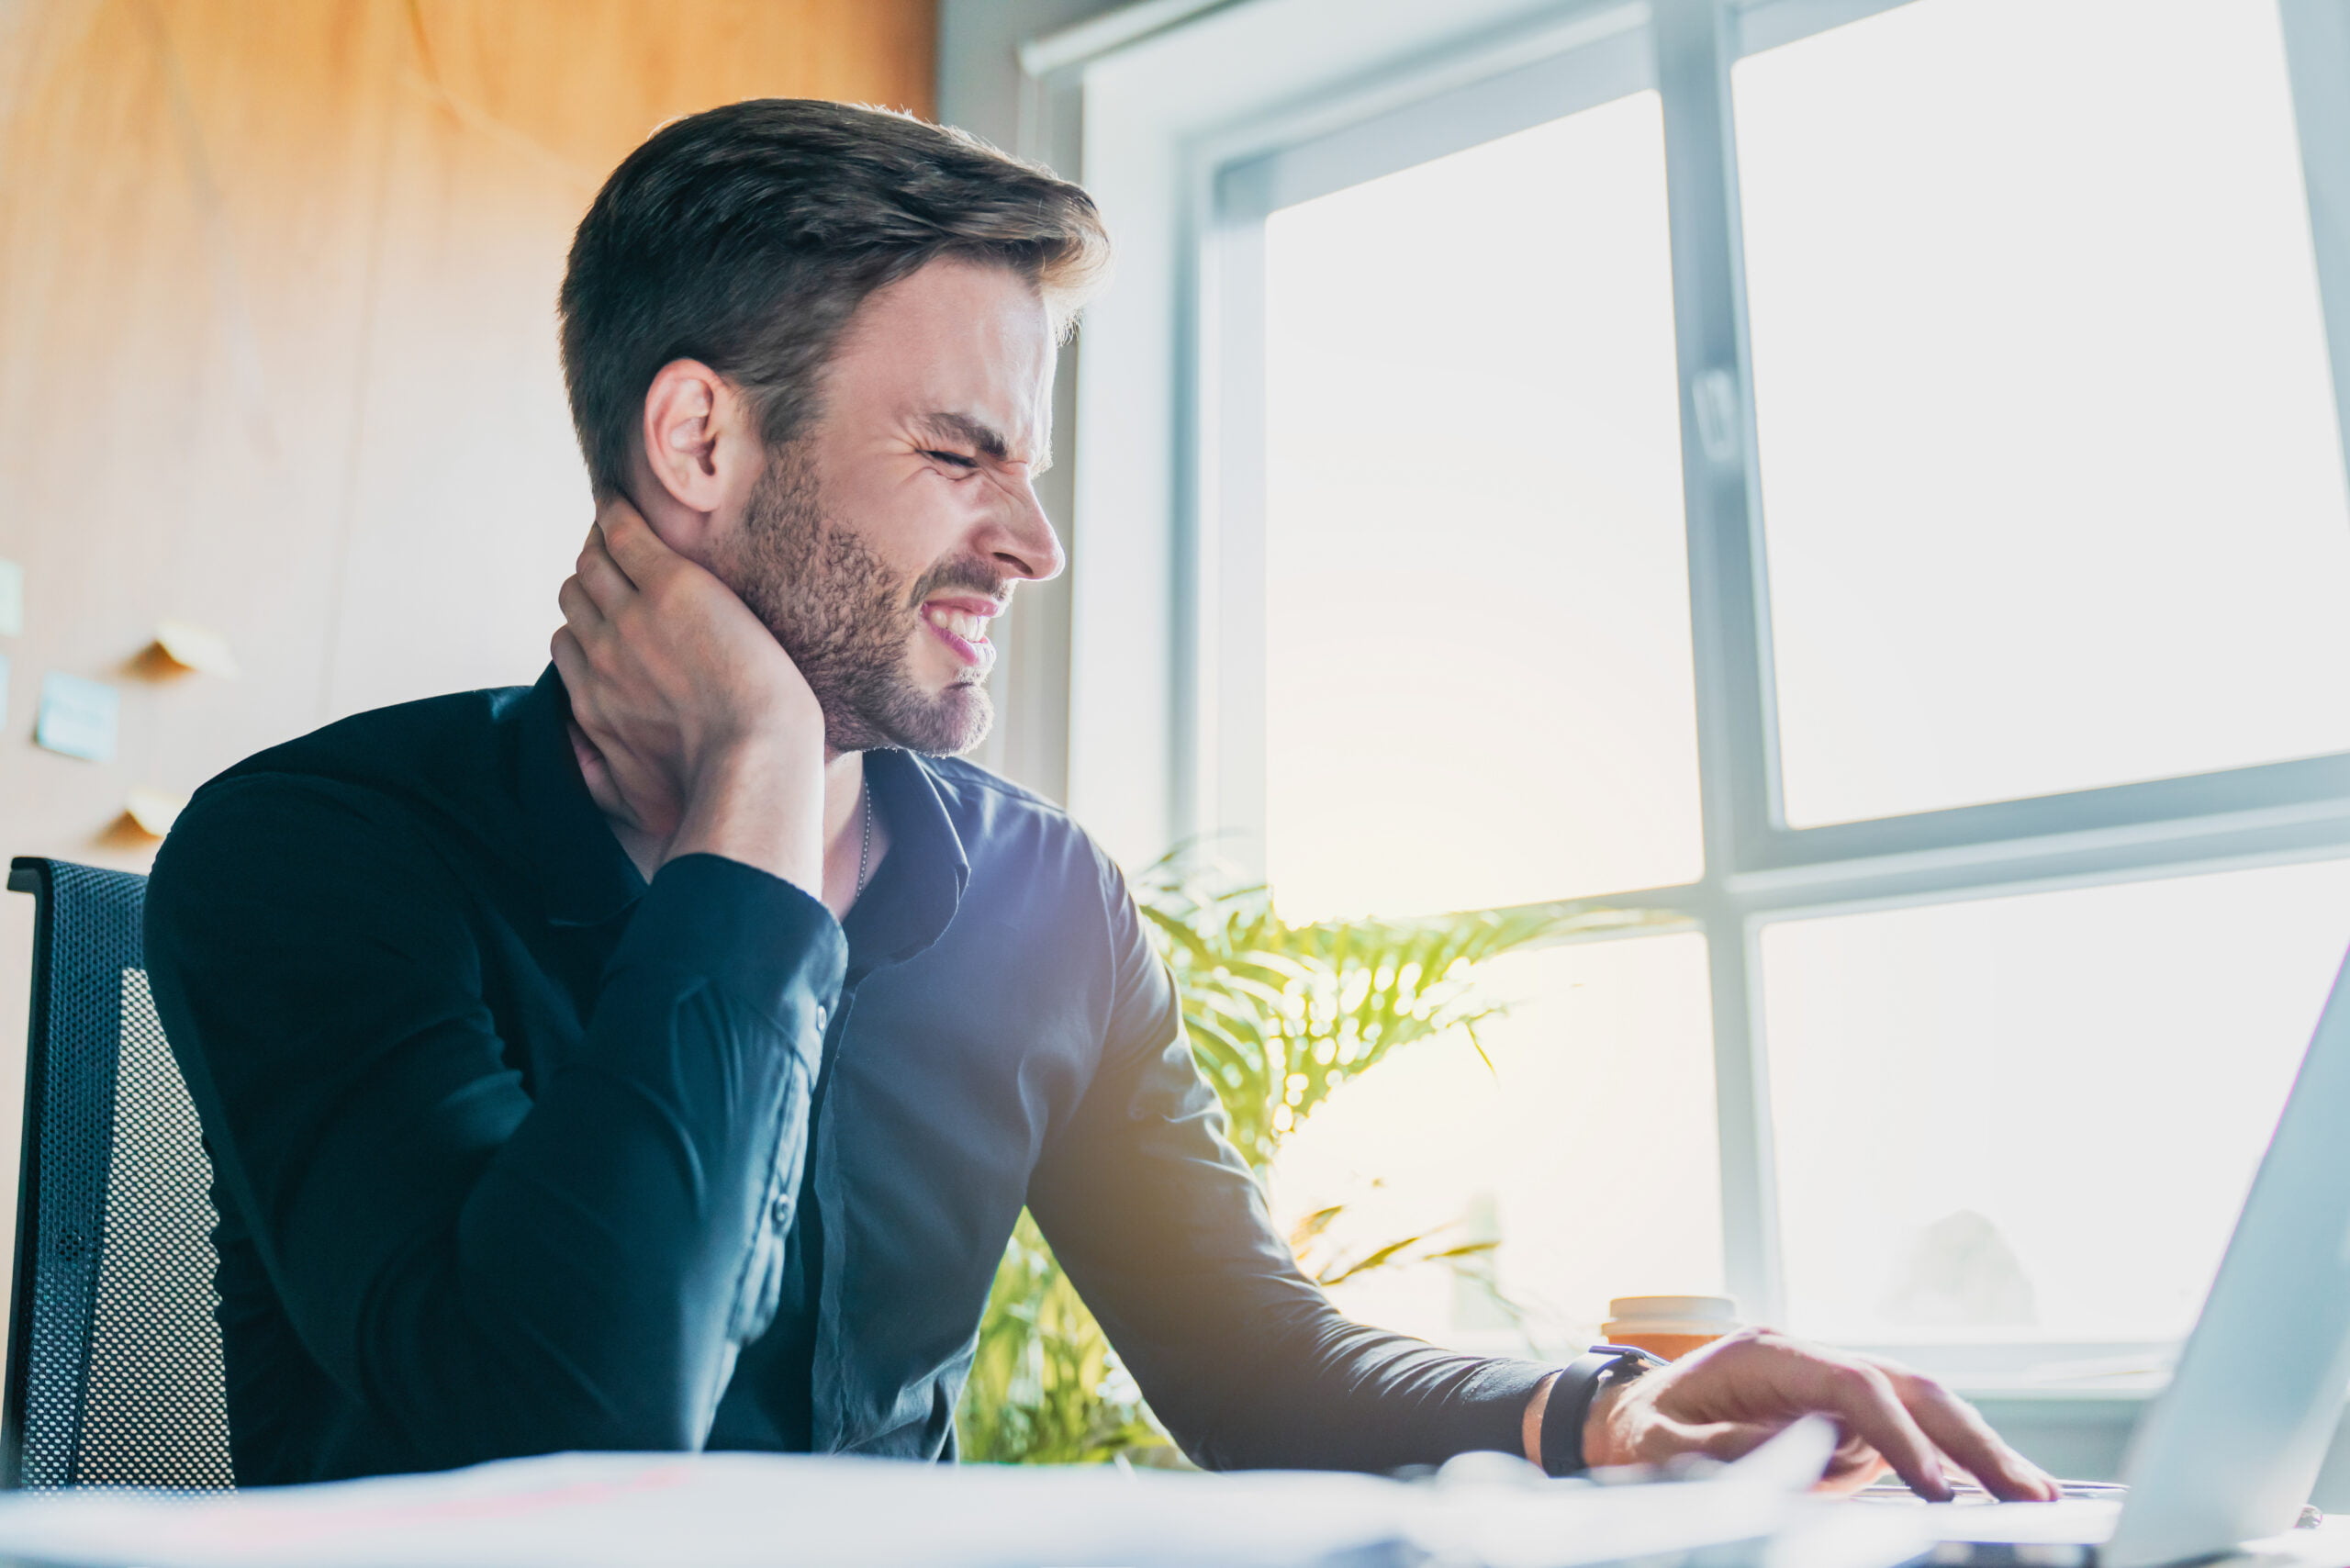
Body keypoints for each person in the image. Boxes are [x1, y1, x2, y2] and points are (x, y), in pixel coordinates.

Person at [146, 98, 2058, 1498]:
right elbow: (563, 1444)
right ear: (701, 437)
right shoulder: (314, 855)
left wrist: (1605, 1408)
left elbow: (1255, 1363)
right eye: (961, 453)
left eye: (1029, 463)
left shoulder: (1036, 899)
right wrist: (752, 788)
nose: (1034, 541)